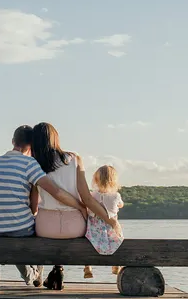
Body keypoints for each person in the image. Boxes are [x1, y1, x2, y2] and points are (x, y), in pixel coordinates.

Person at [0, 125, 88, 287]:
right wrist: (80, 206)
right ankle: (34, 274)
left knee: (25, 228)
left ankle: (37, 274)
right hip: (20, 227)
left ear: (13, 141)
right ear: (32, 144)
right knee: (35, 230)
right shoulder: (29, 163)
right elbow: (55, 192)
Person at [30, 122, 121, 289]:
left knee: (42, 228)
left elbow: (34, 206)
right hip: (74, 226)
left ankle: (54, 271)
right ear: (55, 138)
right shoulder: (73, 159)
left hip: (45, 227)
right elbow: (87, 198)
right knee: (76, 226)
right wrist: (111, 221)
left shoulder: (33, 164)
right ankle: (58, 269)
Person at [83, 165, 125, 278]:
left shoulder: (92, 195)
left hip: (94, 228)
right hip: (111, 227)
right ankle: (116, 264)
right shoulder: (116, 195)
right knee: (117, 240)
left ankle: (88, 267)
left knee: (88, 244)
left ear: (96, 180)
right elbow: (121, 205)